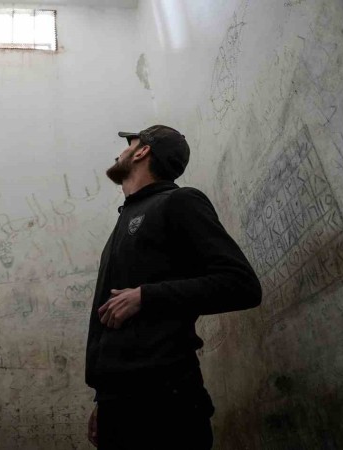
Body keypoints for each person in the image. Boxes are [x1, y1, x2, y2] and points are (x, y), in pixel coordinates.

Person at [85, 125, 262, 449]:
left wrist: (146, 296)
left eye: (129, 144)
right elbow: (110, 328)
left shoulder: (180, 201)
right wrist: (103, 398)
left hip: (166, 400)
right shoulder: (124, 222)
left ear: (142, 151)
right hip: (116, 404)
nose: (120, 152)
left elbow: (241, 284)